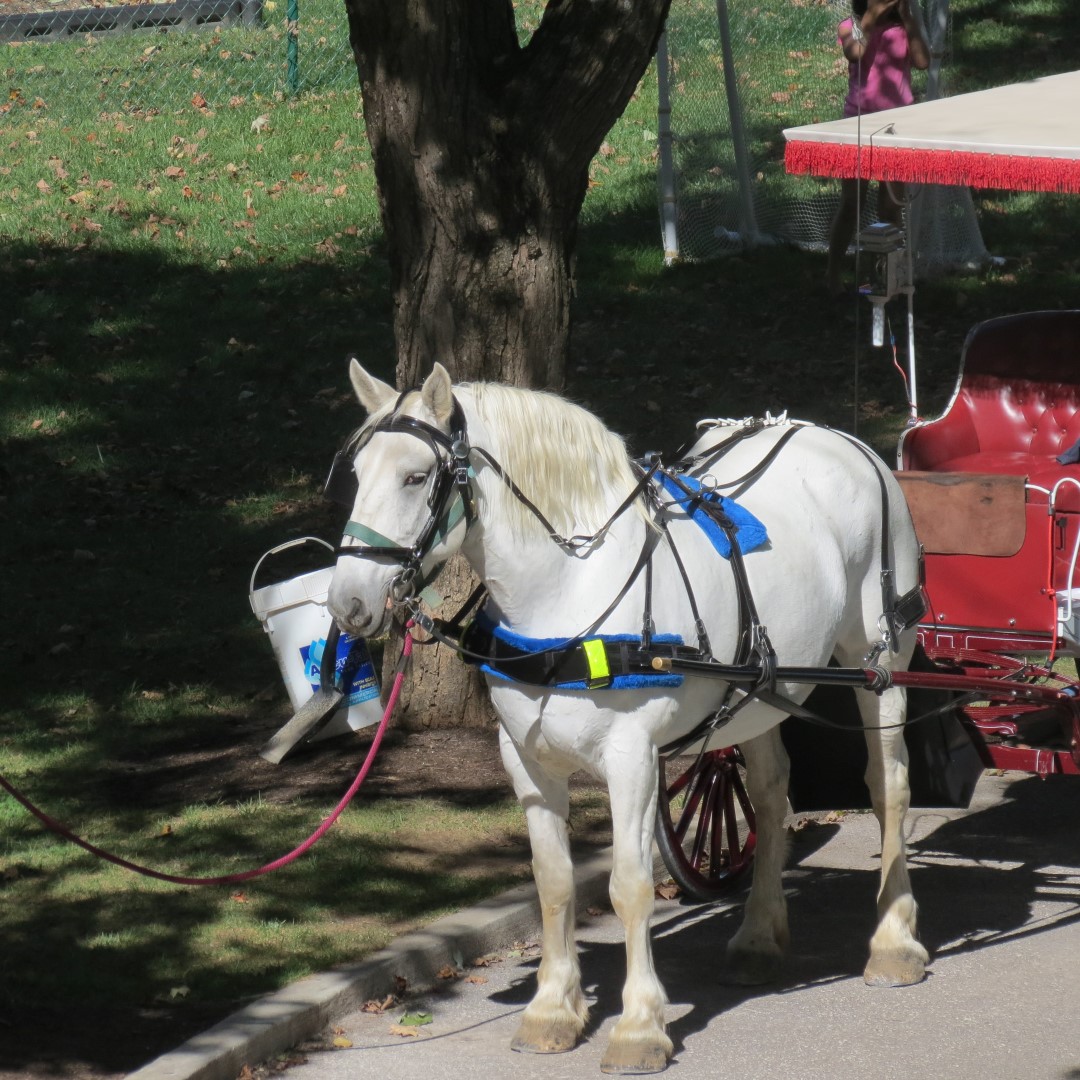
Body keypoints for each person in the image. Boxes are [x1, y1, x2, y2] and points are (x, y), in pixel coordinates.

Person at [826, 0, 930, 297]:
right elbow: (855, 52)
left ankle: (886, 276)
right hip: (857, 125)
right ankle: (833, 274)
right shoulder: (850, 26)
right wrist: (872, 15)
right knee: (851, 203)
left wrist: (908, 19)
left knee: (891, 206)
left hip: (897, 126)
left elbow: (922, 61)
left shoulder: (904, 27)